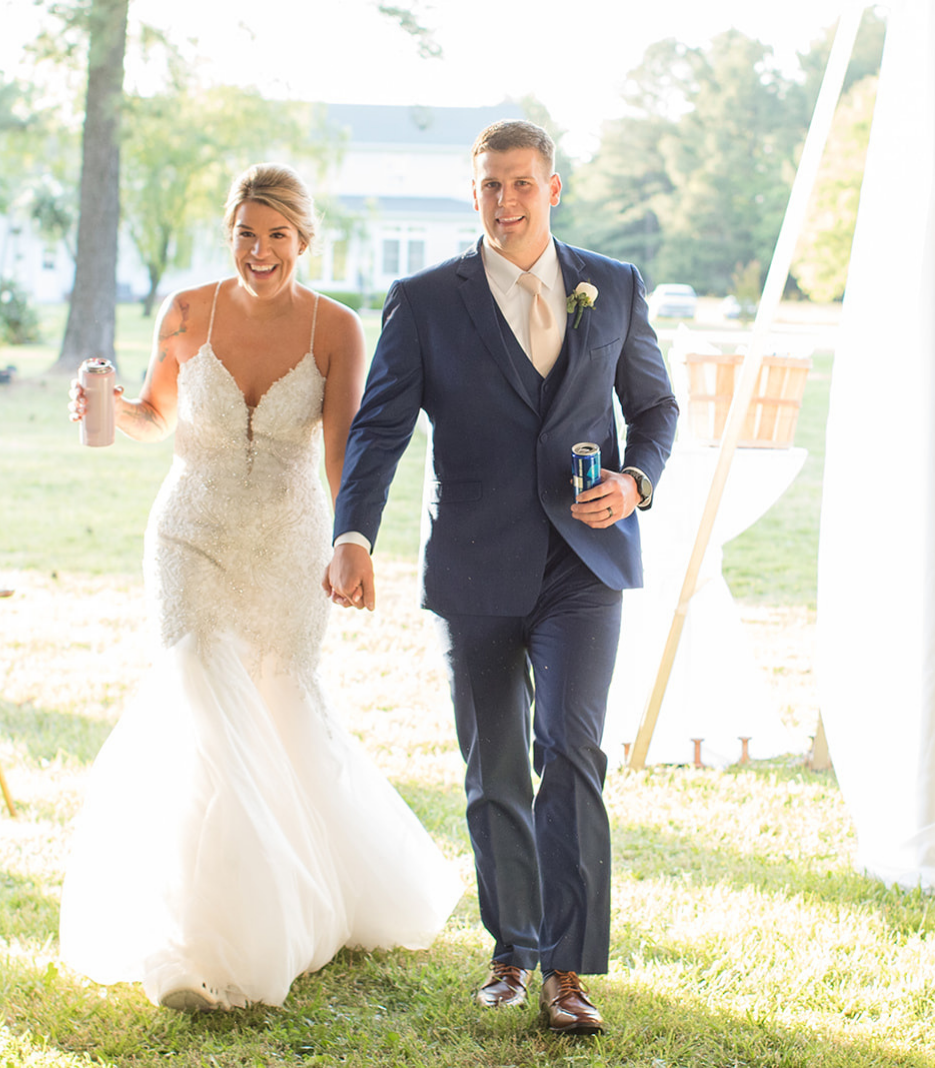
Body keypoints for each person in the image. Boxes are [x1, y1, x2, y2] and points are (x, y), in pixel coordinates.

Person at [59, 163, 460, 1013]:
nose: (260, 251)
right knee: (202, 696)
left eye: (278, 236)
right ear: (229, 235)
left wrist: (352, 541)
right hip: (187, 533)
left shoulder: (337, 329)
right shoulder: (186, 312)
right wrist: (107, 405)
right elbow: (157, 416)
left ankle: (289, 897)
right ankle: (189, 943)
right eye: (246, 233)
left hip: (287, 541)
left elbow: (344, 449)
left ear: (303, 242)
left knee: (274, 706)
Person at [325, 121, 678, 1036]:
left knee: (571, 749)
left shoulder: (617, 286)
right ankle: (511, 952)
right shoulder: (425, 299)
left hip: (583, 563)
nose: (504, 201)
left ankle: (569, 969)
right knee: (495, 768)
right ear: (472, 191)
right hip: (475, 562)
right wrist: (354, 532)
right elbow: (378, 430)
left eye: (521, 183)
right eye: (489, 186)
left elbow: (656, 405)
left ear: (551, 188)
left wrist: (637, 481)